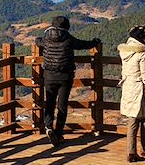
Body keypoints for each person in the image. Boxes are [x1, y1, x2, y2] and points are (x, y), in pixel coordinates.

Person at [36, 16, 101, 147]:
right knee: (62, 106)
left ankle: (48, 128)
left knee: (49, 103)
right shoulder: (68, 38)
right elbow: (82, 44)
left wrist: (38, 40)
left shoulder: (46, 38)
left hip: (49, 75)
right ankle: (58, 134)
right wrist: (95, 42)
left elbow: (38, 42)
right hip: (65, 76)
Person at [118, 25, 145, 162]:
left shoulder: (125, 51)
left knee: (132, 121)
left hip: (129, 87)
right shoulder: (142, 53)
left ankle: (131, 152)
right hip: (141, 89)